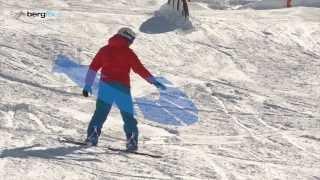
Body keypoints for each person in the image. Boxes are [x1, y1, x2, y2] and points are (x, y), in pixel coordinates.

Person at [82, 27, 166, 151]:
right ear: (128, 38)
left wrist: (88, 85)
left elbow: (93, 67)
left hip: (106, 86)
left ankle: (92, 137)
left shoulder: (104, 50)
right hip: (122, 87)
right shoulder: (128, 53)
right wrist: (153, 81)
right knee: (128, 115)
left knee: (100, 113)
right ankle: (131, 141)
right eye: (132, 39)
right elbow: (139, 69)